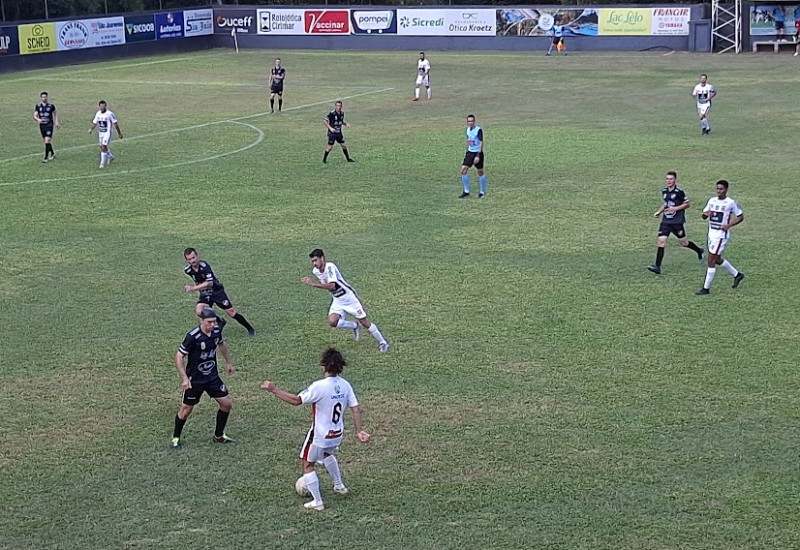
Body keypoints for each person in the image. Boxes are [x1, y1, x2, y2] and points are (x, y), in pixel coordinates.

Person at [260, 347, 371, 511]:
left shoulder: (319, 386)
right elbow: (355, 408)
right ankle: (339, 486)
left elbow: (297, 400)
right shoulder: (345, 385)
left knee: (307, 464)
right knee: (327, 454)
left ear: (324, 366)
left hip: (319, 435)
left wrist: (274, 389)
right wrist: (359, 431)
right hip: (337, 434)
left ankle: (317, 501)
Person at [171, 308, 237, 449]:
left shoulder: (216, 332)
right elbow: (179, 356)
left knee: (226, 404)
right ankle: (175, 438)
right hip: (195, 380)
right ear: (201, 321)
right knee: (186, 409)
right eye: (209, 322)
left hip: (212, 377)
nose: (212, 325)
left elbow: (222, 345)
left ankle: (218, 436)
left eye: (214, 322)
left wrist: (229, 362)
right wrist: (184, 378)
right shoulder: (193, 336)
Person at [302, 249, 389, 352]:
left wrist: (313, 284)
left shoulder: (330, 267)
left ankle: (383, 343)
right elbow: (329, 287)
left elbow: (332, 285)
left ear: (322, 258)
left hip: (349, 298)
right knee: (332, 321)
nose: (314, 264)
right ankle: (354, 326)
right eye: (312, 261)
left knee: (365, 322)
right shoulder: (316, 271)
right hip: (338, 300)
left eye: (316, 260)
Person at [183, 247, 256, 336]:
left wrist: (193, 288)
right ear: (187, 260)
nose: (192, 260)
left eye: (193, 257)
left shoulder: (204, 266)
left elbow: (209, 283)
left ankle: (250, 329)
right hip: (205, 294)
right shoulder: (188, 270)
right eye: (189, 259)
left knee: (231, 313)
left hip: (217, 292)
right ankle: (219, 321)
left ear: (197, 256)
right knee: (199, 311)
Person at [647, 171, 704, 274]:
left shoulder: (679, 191)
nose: (669, 181)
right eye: (667, 179)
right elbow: (666, 204)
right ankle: (657, 267)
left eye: (671, 179)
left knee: (683, 243)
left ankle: (699, 250)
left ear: (675, 180)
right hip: (666, 221)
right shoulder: (664, 191)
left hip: (677, 221)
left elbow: (687, 204)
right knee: (661, 241)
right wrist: (659, 212)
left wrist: (675, 208)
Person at [696, 180, 745, 295]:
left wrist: (728, 225)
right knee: (717, 259)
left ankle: (706, 288)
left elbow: (740, 216)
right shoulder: (712, 201)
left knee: (711, 259)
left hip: (720, 235)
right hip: (711, 233)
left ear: (726, 189)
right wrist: (706, 214)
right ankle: (737, 275)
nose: (719, 191)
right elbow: (704, 215)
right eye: (717, 189)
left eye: (721, 189)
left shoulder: (730, 203)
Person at [88, 100, 123, 169]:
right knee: (102, 147)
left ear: (106, 106)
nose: (102, 108)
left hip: (107, 132)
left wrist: (119, 133)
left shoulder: (110, 114)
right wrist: (91, 129)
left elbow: (115, 124)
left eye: (103, 106)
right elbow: (95, 122)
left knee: (104, 146)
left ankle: (102, 163)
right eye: (101, 106)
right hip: (101, 133)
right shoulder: (98, 113)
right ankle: (110, 156)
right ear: (99, 107)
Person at [459, 114, 487, 198]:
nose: (470, 123)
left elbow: (481, 143)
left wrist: (478, 155)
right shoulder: (467, 130)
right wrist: (467, 150)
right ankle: (466, 191)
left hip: (477, 153)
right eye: (468, 121)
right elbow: (468, 140)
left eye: (471, 121)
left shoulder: (478, 130)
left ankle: (482, 192)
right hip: (470, 153)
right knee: (463, 170)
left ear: (474, 121)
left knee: (480, 172)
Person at [33, 91, 59, 163]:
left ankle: (45, 158)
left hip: (49, 125)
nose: (44, 98)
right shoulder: (38, 106)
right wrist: (38, 119)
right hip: (42, 126)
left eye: (45, 97)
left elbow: (55, 113)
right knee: (46, 142)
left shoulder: (51, 106)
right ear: (41, 98)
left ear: (47, 97)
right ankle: (53, 153)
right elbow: (35, 115)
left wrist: (56, 122)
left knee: (47, 140)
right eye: (43, 97)